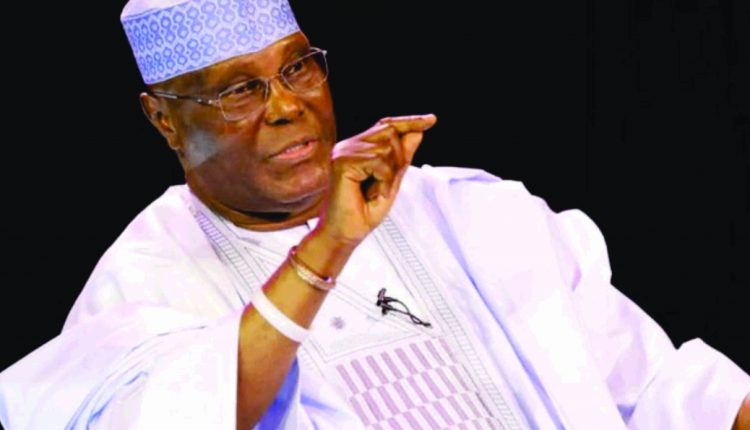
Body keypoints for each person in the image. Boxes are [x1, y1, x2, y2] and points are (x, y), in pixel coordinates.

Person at [1, 0, 748, 428]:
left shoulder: (469, 211)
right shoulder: (143, 282)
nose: (286, 107)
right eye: (239, 90)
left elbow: (657, 390)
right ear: (164, 120)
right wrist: (331, 242)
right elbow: (192, 410)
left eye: (297, 68)